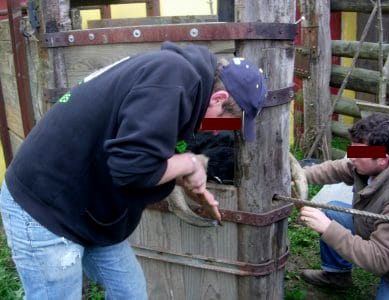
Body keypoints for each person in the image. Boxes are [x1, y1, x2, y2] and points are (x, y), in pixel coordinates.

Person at [0, 41, 267, 299]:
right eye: (226, 123)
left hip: (86, 208)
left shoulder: (179, 83)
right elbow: (133, 169)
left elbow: (143, 150)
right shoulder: (171, 78)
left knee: (129, 293)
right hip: (45, 206)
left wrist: (184, 174)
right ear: (218, 99)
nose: (219, 132)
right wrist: (190, 162)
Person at [299, 113, 389, 299]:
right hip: (378, 232)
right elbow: (337, 168)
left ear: (382, 159)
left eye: (359, 154)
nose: (352, 158)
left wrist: (329, 229)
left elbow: (380, 259)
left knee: (329, 222)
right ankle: (337, 277)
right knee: (331, 211)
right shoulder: (373, 162)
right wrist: (299, 175)